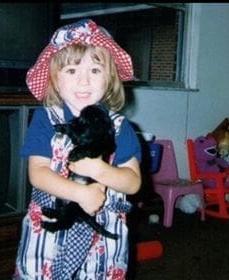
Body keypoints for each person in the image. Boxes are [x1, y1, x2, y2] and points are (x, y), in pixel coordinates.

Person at [14, 18, 142, 280]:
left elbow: (132, 183)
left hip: (102, 237)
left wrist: (100, 169)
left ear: (110, 78)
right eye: (72, 71)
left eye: (95, 71)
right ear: (55, 78)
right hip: (50, 234)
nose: (84, 82)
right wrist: (80, 193)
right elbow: (37, 173)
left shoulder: (120, 127)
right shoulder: (46, 120)